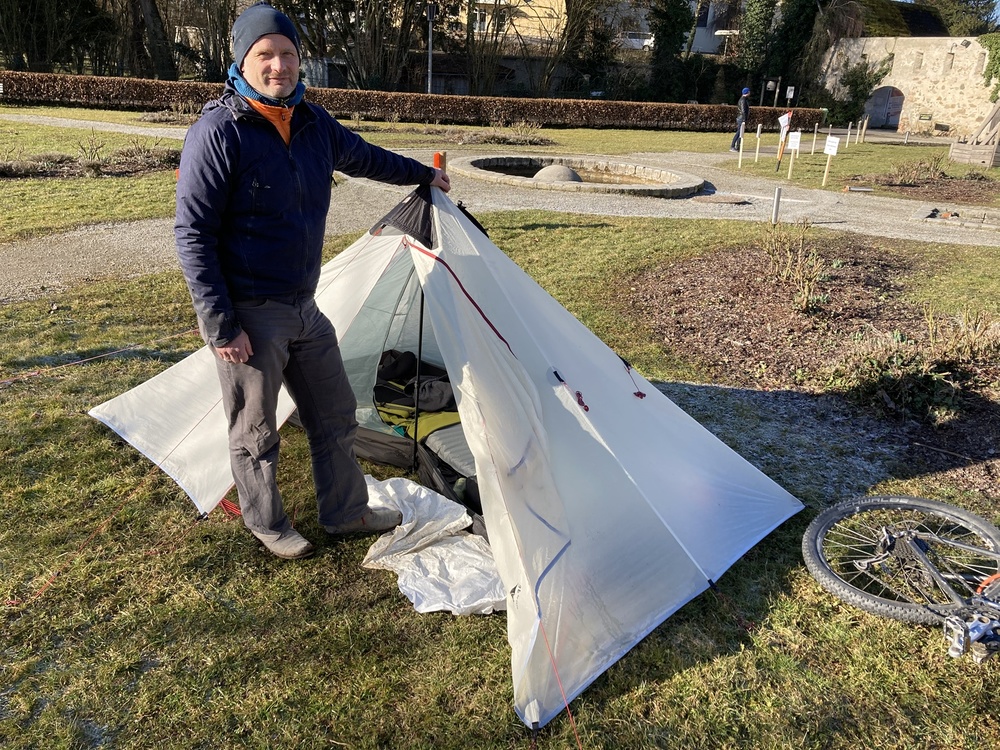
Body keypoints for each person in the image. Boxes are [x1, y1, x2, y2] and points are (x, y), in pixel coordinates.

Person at [174, 2, 451, 560]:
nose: (279, 65)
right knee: (255, 431)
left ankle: (346, 512)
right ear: (242, 61)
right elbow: (193, 235)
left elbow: (367, 157)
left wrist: (425, 174)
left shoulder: (313, 123)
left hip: (305, 304)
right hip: (250, 312)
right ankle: (268, 524)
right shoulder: (219, 132)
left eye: (288, 53)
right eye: (265, 55)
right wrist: (222, 326)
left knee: (335, 413)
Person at [730, 87, 751, 152]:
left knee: (740, 133)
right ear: (747, 92)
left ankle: (737, 146)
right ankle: (732, 146)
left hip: (741, 118)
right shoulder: (743, 100)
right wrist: (744, 119)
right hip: (741, 118)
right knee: (739, 132)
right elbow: (743, 110)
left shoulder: (743, 100)